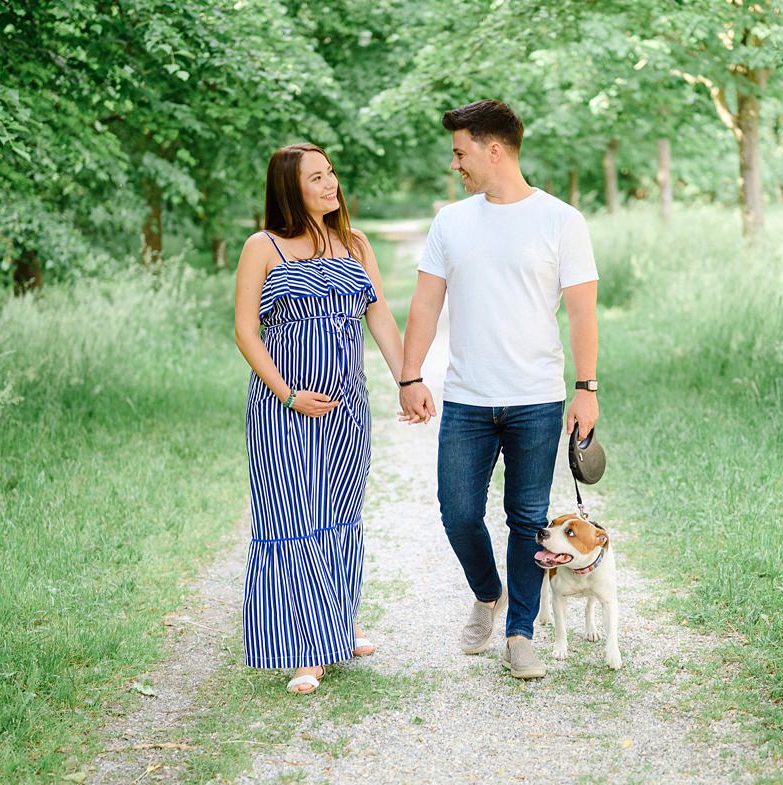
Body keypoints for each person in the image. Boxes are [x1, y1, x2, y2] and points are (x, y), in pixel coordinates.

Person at [398, 100, 599, 679]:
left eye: (460, 153)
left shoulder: (561, 220)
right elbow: (426, 304)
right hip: (467, 397)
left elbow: (583, 314)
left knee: (526, 517)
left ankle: (520, 634)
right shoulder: (450, 221)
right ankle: (489, 593)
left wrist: (586, 388)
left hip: (537, 398)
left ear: (493, 150)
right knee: (458, 512)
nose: (455, 164)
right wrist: (410, 375)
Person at [234, 143, 404, 694]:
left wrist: (408, 381)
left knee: (341, 519)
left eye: (331, 173)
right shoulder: (262, 247)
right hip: (283, 410)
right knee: (293, 521)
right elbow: (245, 332)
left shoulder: (354, 243)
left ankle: (340, 625)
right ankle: (305, 650)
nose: (331, 184)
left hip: (348, 408)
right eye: (316, 178)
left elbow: (379, 316)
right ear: (290, 188)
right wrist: (288, 395)